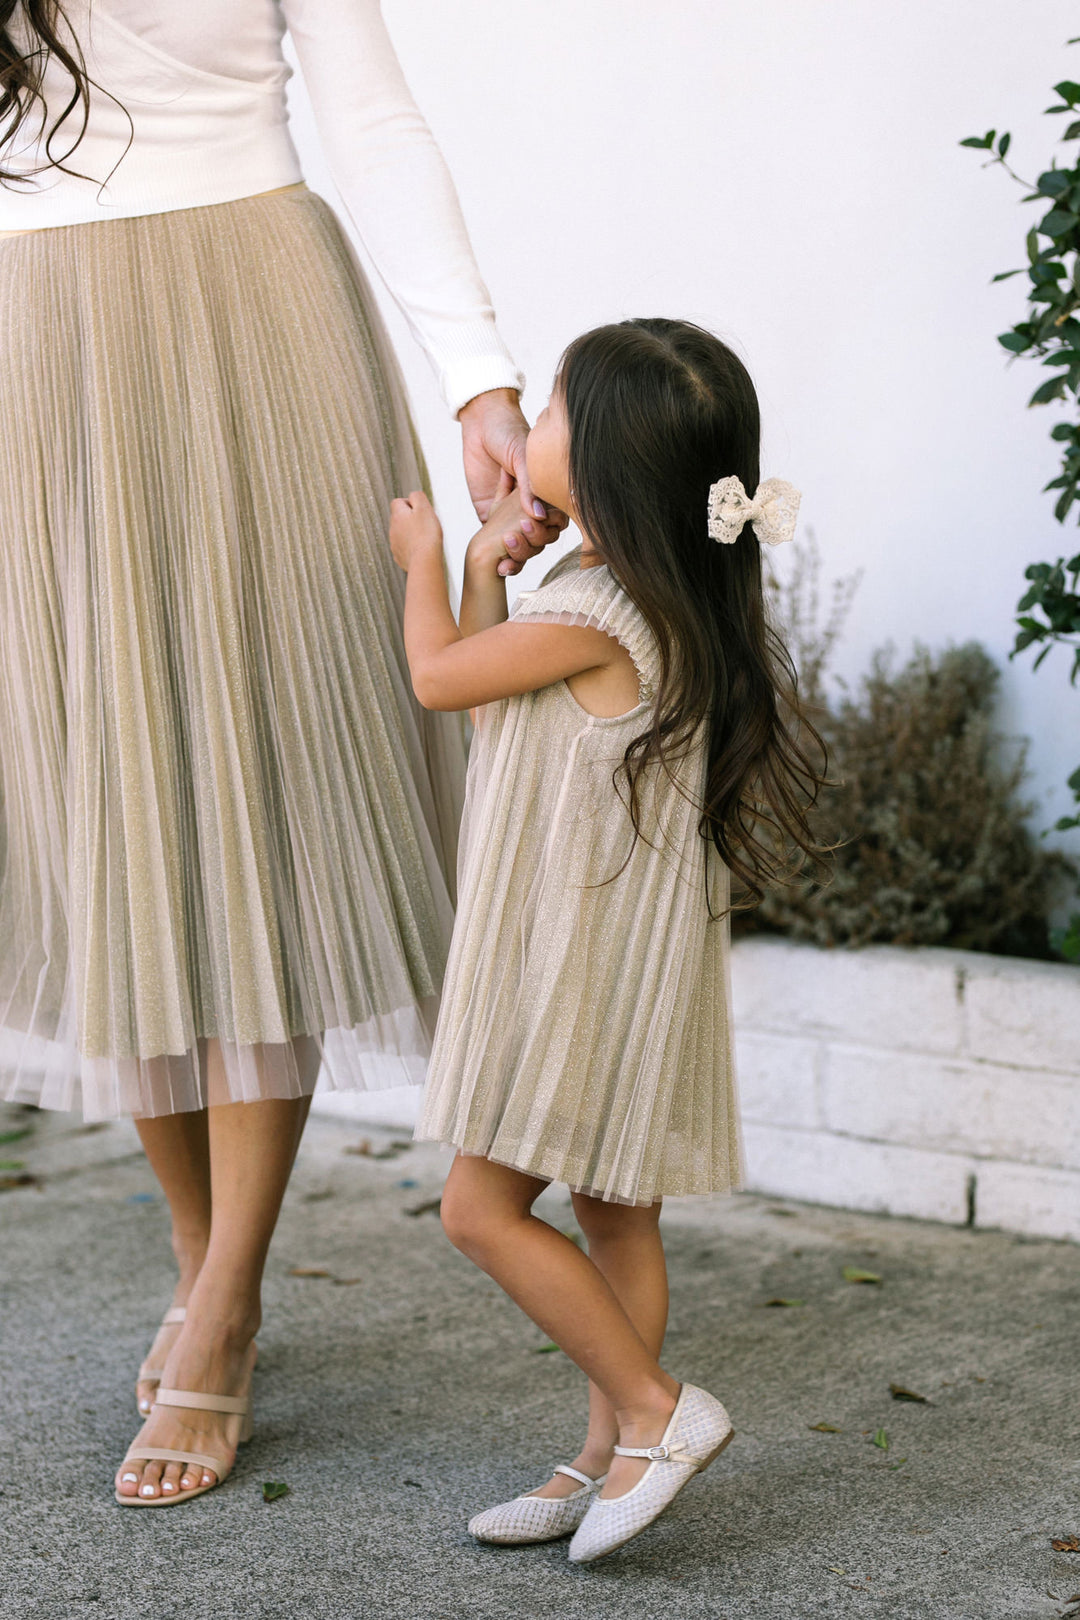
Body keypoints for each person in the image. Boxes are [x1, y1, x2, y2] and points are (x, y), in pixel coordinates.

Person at [0, 0, 562, 1508]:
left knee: (271, 798)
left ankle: (230, 1290)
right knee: (112, 804)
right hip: (42, 340)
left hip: (261, 314)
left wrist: (479, 375)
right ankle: (197, 1259)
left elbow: (372, 118)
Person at [387, 317, 826, 1562]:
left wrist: (425, 555)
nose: (532, 430)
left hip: (567, 965)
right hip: (630, 960)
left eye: (556, 411)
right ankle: (604, 1460)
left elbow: (435, 681)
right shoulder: (654, 600)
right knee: (616, 1216)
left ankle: (657, 1412)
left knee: (478, 1211)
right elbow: (490, 711)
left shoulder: (593, 613)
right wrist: (488, 562)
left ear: (616, 464)